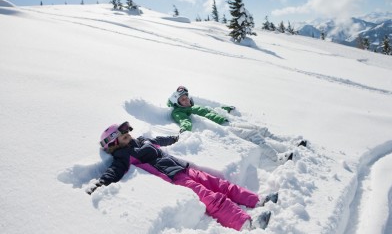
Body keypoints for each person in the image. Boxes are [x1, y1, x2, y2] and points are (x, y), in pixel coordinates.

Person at [86, 121, 279, 231]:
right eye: (124, 136)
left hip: (183, 168)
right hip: (175, 178)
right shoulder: (123, 156)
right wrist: (101, 182)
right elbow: (115, 171)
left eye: (128, 132)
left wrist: (175, 137)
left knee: (221, 184)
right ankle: (245, 223)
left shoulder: (141, 140)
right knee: (211, 198)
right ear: (114, 143)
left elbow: (158, 140)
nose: (129, 135)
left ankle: (257, 201)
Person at [167, 86, 306, 164]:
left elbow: (211, 110)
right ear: (176, 102)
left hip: (227, 121)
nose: (186, 101)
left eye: (186, 97)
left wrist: (226, 109)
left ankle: (289, 142)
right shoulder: (179, 112)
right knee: (253, 135)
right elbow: (184, 121)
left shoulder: (192, 105)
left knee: (260, 129)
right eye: (182, 99)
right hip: (223, 128)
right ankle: (277, 158)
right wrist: (184, 130)